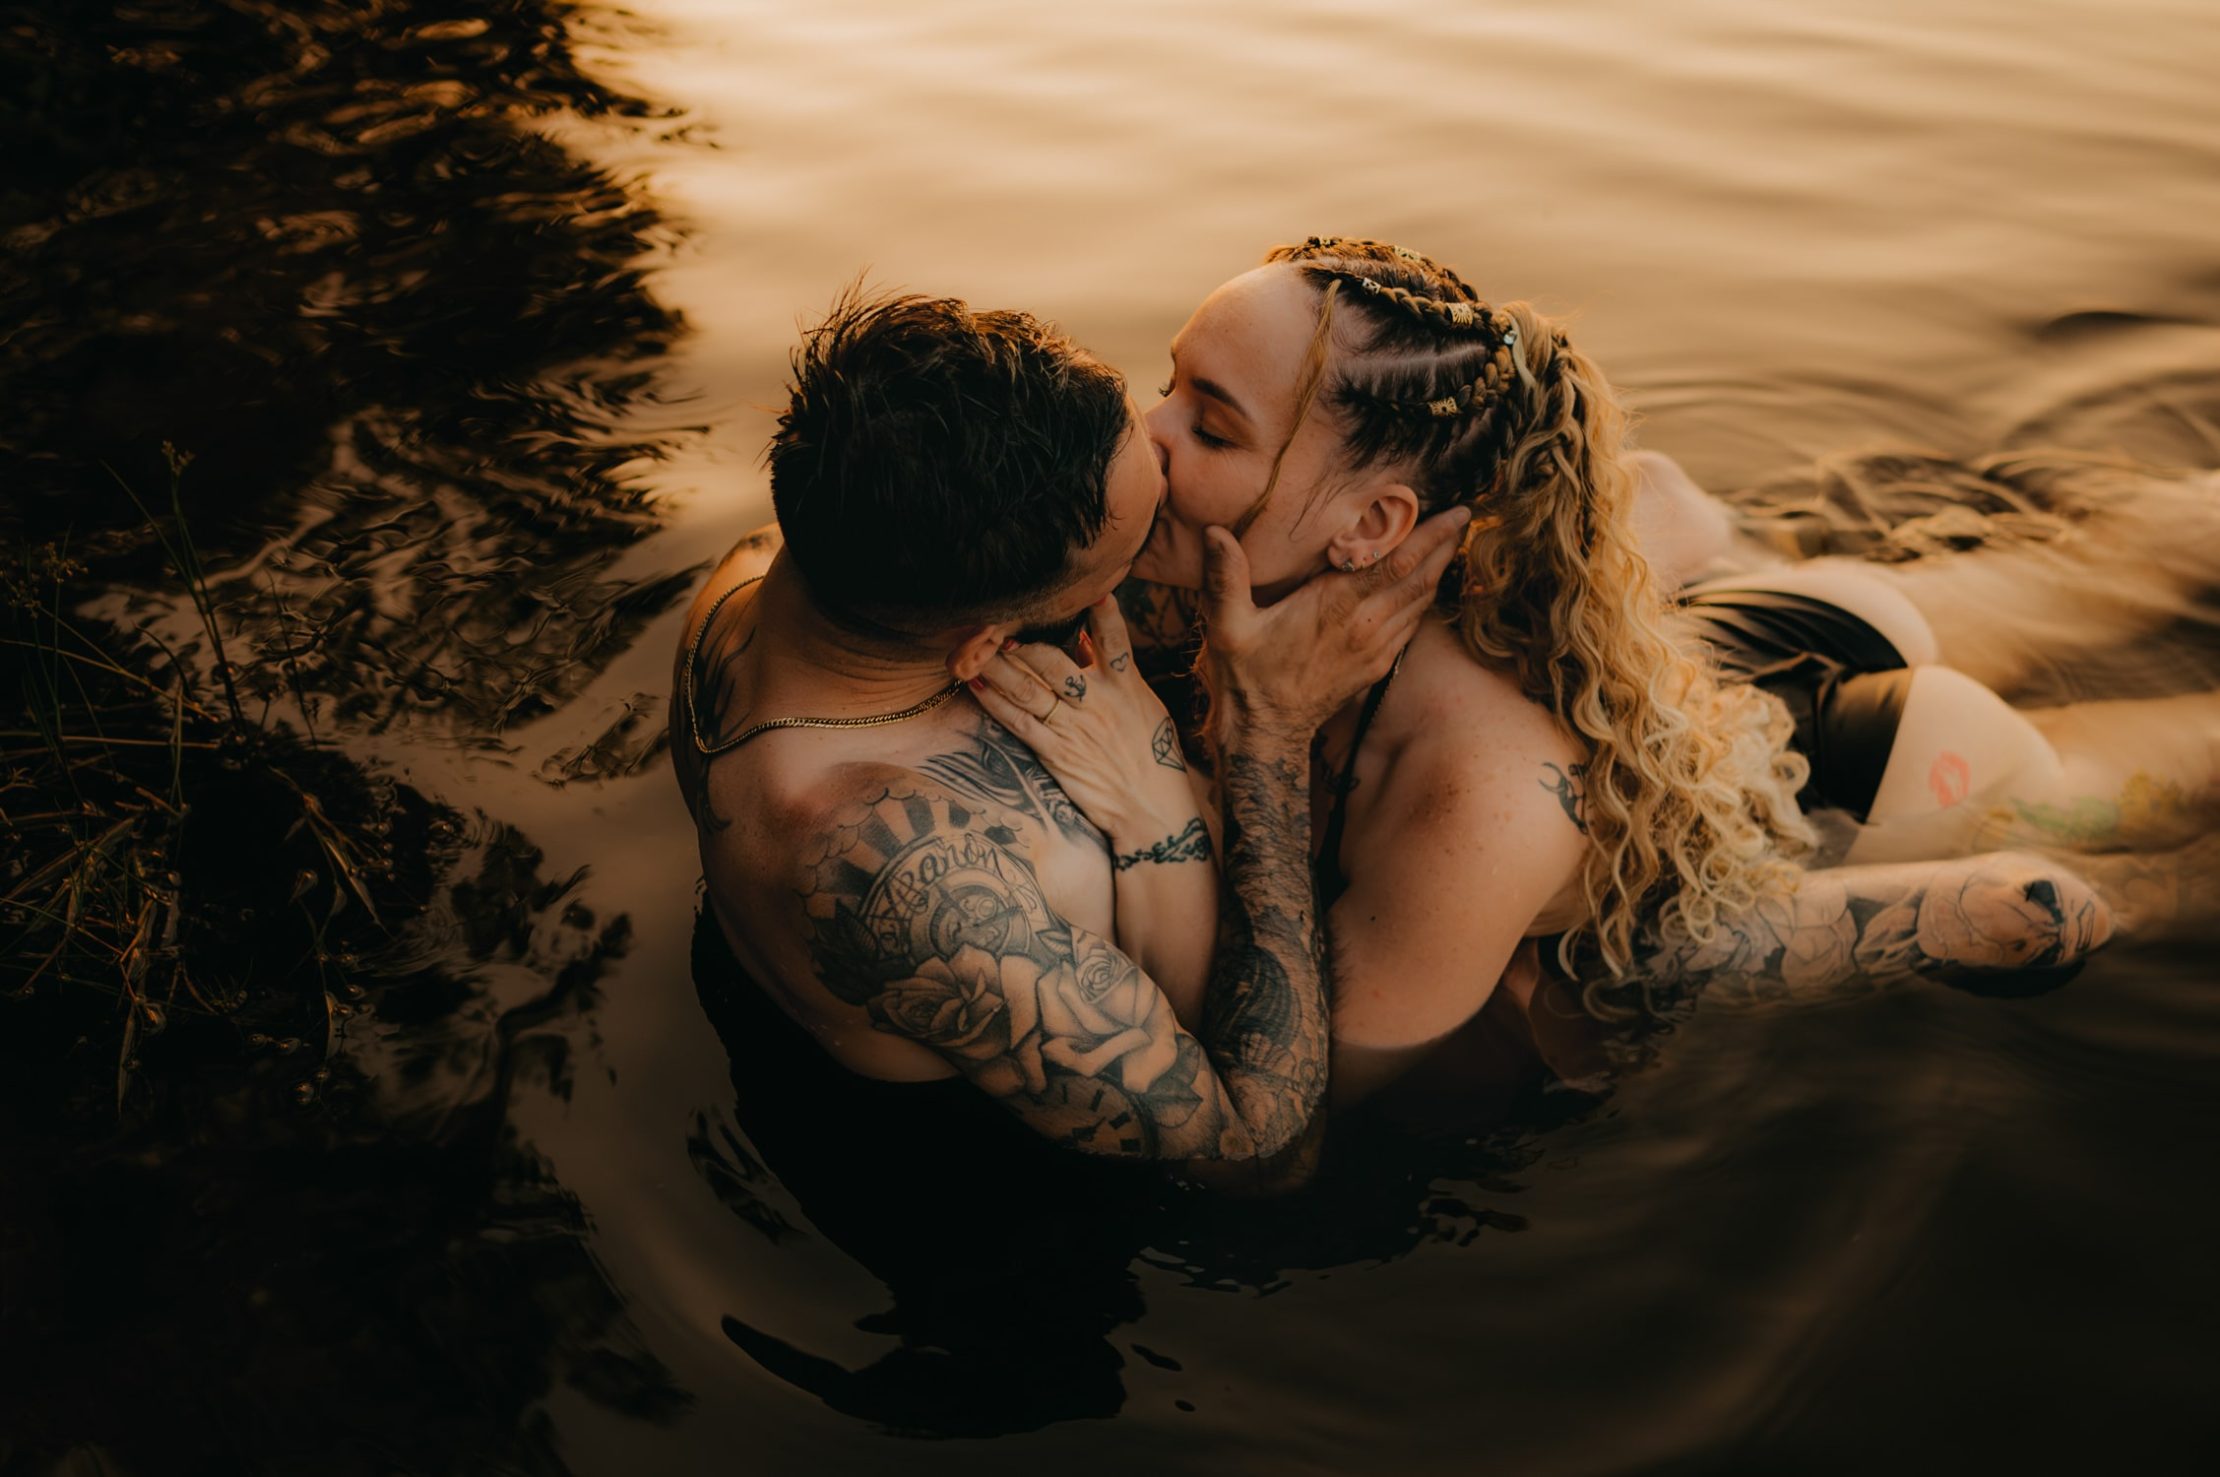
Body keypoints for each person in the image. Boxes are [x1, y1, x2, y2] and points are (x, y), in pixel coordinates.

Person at [975, 238, 2133, 1102]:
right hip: (1734, 636)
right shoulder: (1306, 563)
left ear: (1373, 525)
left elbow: (1315, 1092)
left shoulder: (1472, 790)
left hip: (1894, 763)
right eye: (1167, 381)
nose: (1145, 428)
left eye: (1210, 427)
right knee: (2107, 569)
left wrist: (1260, 746)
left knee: (2160, 836)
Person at [669, 286, 1467, 1180]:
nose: (1171, 469)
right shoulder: (911, 882)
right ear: (985, 643)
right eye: (1126, 557)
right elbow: (1260, 1153)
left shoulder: (760, 571)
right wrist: (1266, 740)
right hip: (989, 1206)